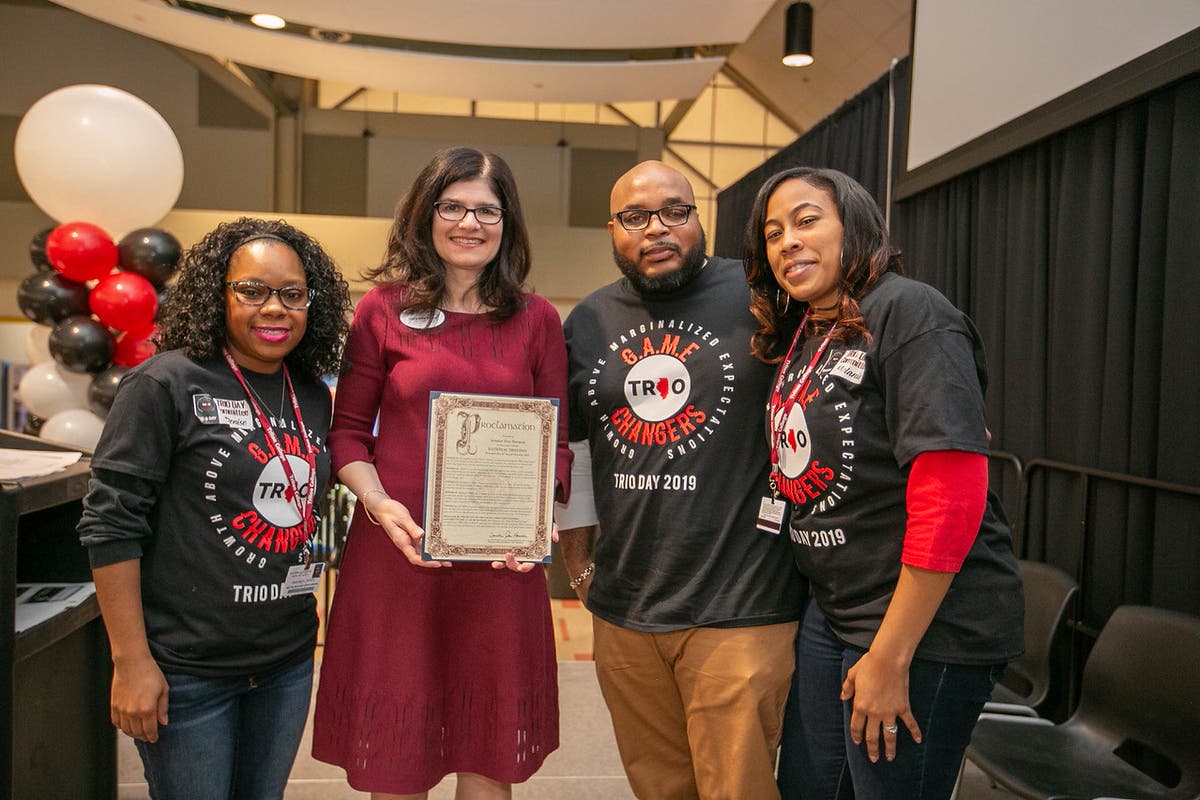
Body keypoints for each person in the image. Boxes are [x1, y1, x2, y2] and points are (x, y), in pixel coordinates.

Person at [743, 166, 1024, 800]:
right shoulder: (810, 330)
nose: (788, 240)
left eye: (808, 220)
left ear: (856, 225)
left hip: (925, 624)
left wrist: (892, 656)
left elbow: (950, 492)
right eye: (773, 232)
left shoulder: (910, 310)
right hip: (837, 608)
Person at [311, 147, 572, 799]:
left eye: (488, 209)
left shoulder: (538, 321)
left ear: (507, 223)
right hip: (398, 558)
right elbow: (346, 434)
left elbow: (556, 441)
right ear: (425, 216)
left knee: (488, 755)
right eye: (453, 206)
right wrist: (376, 503)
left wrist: (543, 516)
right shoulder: (380, 311)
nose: (470, 222)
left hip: (498, 565)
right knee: (398, 759)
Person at [77, 217, 352, 800]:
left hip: (286, 661)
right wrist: (130, 661)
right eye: (252, 291)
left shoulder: (309, 393)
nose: (274, 309)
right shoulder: (163, 385)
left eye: (292, 294)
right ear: (215, 295)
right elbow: (110, 525)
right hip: (186, 670)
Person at [558, 160, 807, 799]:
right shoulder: (585, 323)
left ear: (699, 218)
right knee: (662, 790)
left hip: (743, 604)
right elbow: (577, 451)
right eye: (636, 218)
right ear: (612, 230)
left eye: (675, 211)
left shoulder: (766, 295)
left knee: (738, 790)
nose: (657, 230)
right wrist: (581, 568)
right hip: (626, 612)